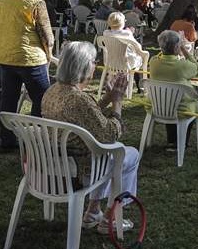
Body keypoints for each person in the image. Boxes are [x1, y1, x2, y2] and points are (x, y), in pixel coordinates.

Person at [41, 41, 140, 233]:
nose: (96, 65)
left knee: (108, 154)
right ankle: (110, 218)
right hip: (77, 170)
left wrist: (107, 99)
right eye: (94, 61)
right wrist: (117, 103)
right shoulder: (78, 99)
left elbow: (86, 118)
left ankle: (93, 211)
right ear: (85, 66)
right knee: (128, 154)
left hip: (50, 163)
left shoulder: (52, 91)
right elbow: (109, 134)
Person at [0, 0, 55, 150]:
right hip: (31, 59)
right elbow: (47, 36)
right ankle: (35, 141)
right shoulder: (37, 3)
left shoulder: (3, 2)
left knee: (8, 100)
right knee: (41, 100)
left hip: (5, 57)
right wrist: (49, 53)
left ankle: (7, 140)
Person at [148, 30, 198, 145]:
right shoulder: (182, 66)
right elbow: (197, 67)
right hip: (180, 109)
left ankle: (171, 141)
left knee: (171, 100)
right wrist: (184, 49)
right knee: (189, 104)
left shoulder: (153, 62)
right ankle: (181, 143)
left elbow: (161, 55)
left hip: (157, 106)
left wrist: (166, 47)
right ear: (176, 48)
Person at [103, 11, 150, 90]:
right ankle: (143, 83)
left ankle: (111, 81)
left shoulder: (106, 33)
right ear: (123, 23)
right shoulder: (126, 34)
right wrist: (130, 32)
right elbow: (138, 47)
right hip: (126, 64)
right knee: (143, 55)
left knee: (134, 56)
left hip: (110, 62)